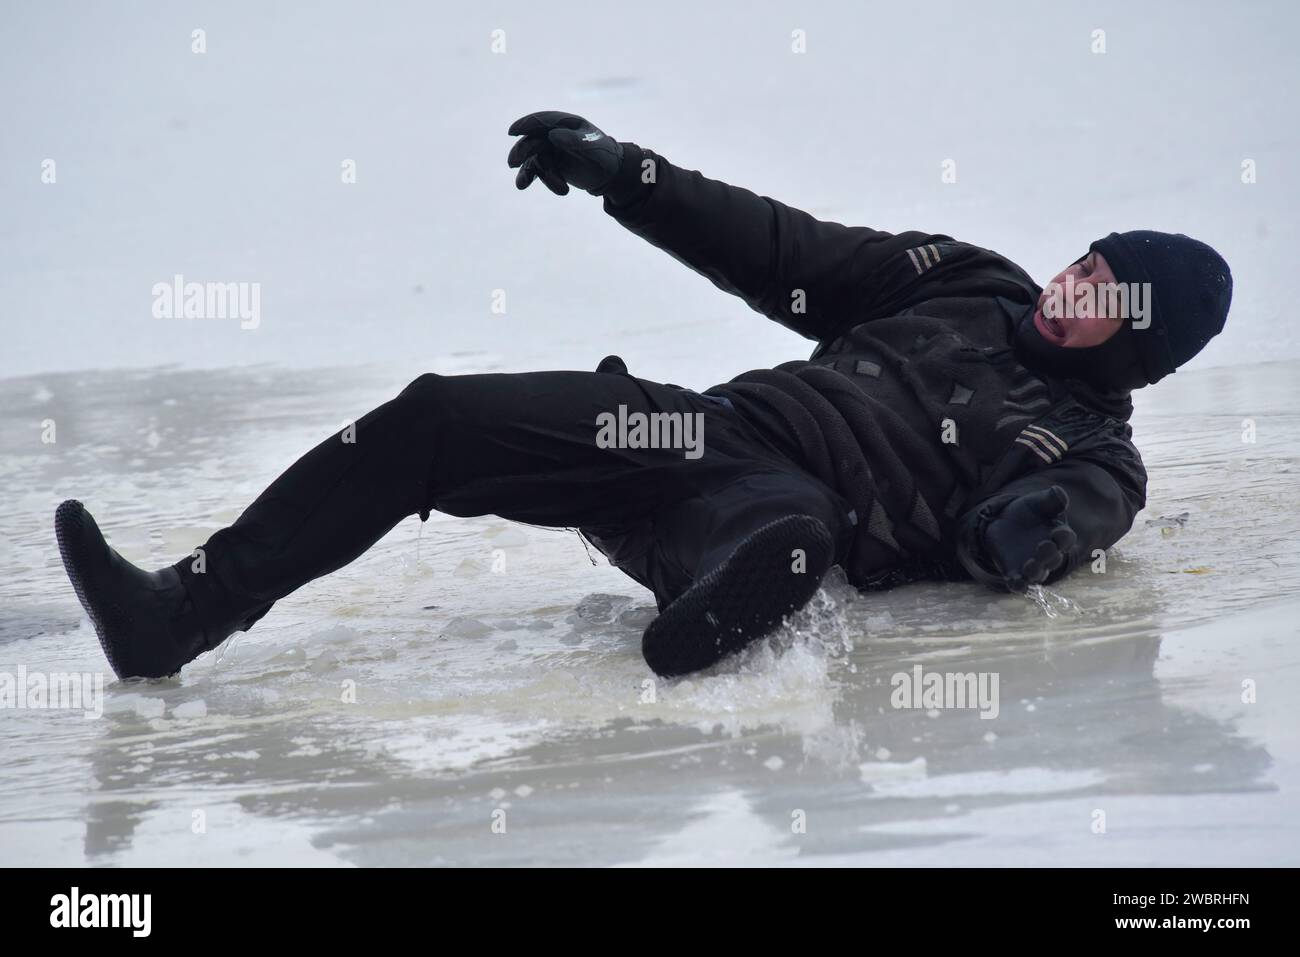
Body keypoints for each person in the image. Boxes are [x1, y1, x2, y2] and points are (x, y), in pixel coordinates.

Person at [55, 111, 1234, 682]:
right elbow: (789, 249)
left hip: (783, 502)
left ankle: (708, 603)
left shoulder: (1093, 451)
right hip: (692, 427)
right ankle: (181, 610)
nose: (1075, 283)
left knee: (790, 528)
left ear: (1137, 348)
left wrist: (1027, 535)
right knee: (437, 416)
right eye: (1087, 260)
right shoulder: (972, 282)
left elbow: (1061, 520)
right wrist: (636, 178)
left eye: (1106, 295)